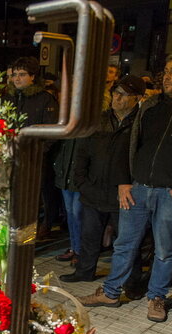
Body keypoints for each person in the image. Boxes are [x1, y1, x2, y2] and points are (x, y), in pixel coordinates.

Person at [79, 48, 172, 323]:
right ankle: (111, 292)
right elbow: (131, 143)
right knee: (124, 244)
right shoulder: (152, 105)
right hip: (138, 188)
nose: (166, 77)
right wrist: (125, 181)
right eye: (166, 71)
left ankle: (156, 297)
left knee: (164, 251)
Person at [60, 75, 145, 282]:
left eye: (124, 94)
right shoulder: (101, 120)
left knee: (126, 240)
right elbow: (82, 152)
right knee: (89, 236)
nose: (117, 98)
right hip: (94, 188)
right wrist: (81, 181)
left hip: (123, 193)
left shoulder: (141, 123)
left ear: (137, 98)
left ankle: (131, 279)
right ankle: (84, 272)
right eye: (115, 93)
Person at [7, 57, 60, 239]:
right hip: (11, 158)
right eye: (15, 74)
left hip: (35, 161)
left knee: (31, 202)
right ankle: (12, 238)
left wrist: (37, 152)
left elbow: (52, 132)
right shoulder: (9, 98)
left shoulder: (45, 99)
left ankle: (27, 241)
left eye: (22, 74)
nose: (17, 78)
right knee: (12, 200)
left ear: (32, 77)